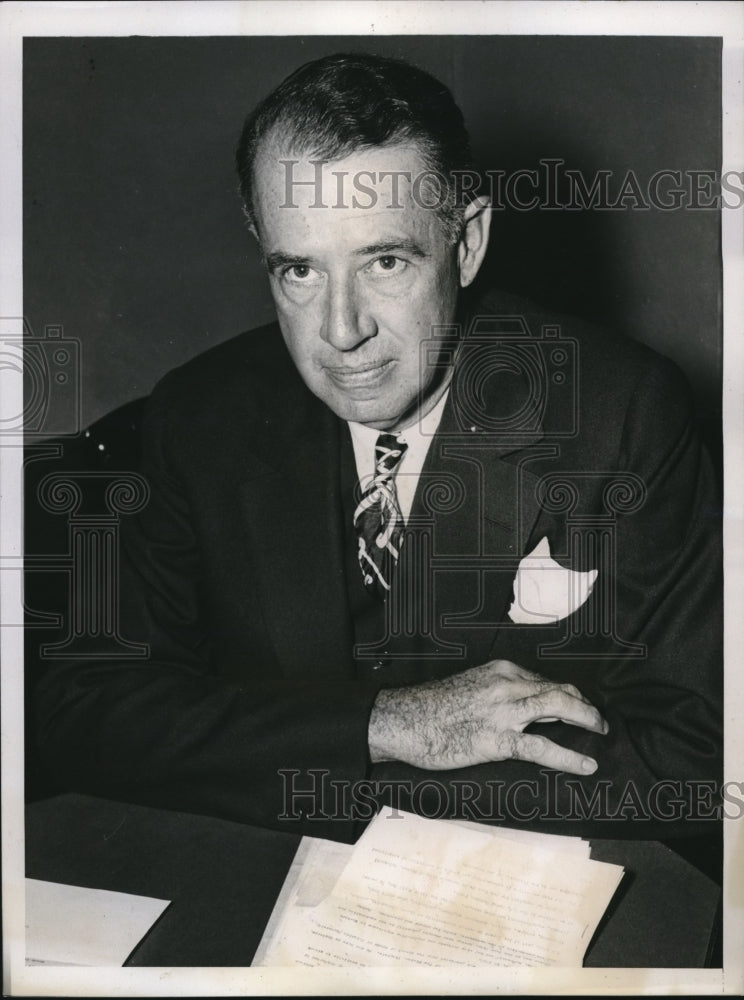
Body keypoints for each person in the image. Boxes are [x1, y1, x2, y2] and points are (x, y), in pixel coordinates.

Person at [33, 52, 722, 843]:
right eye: (299, 271)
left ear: (466, 242)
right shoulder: (201, 416)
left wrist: (301, 765)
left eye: (385, 261)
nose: (341, 330)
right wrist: (382, 725)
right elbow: (86, 711)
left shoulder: (620, 412)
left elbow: (691, 764)